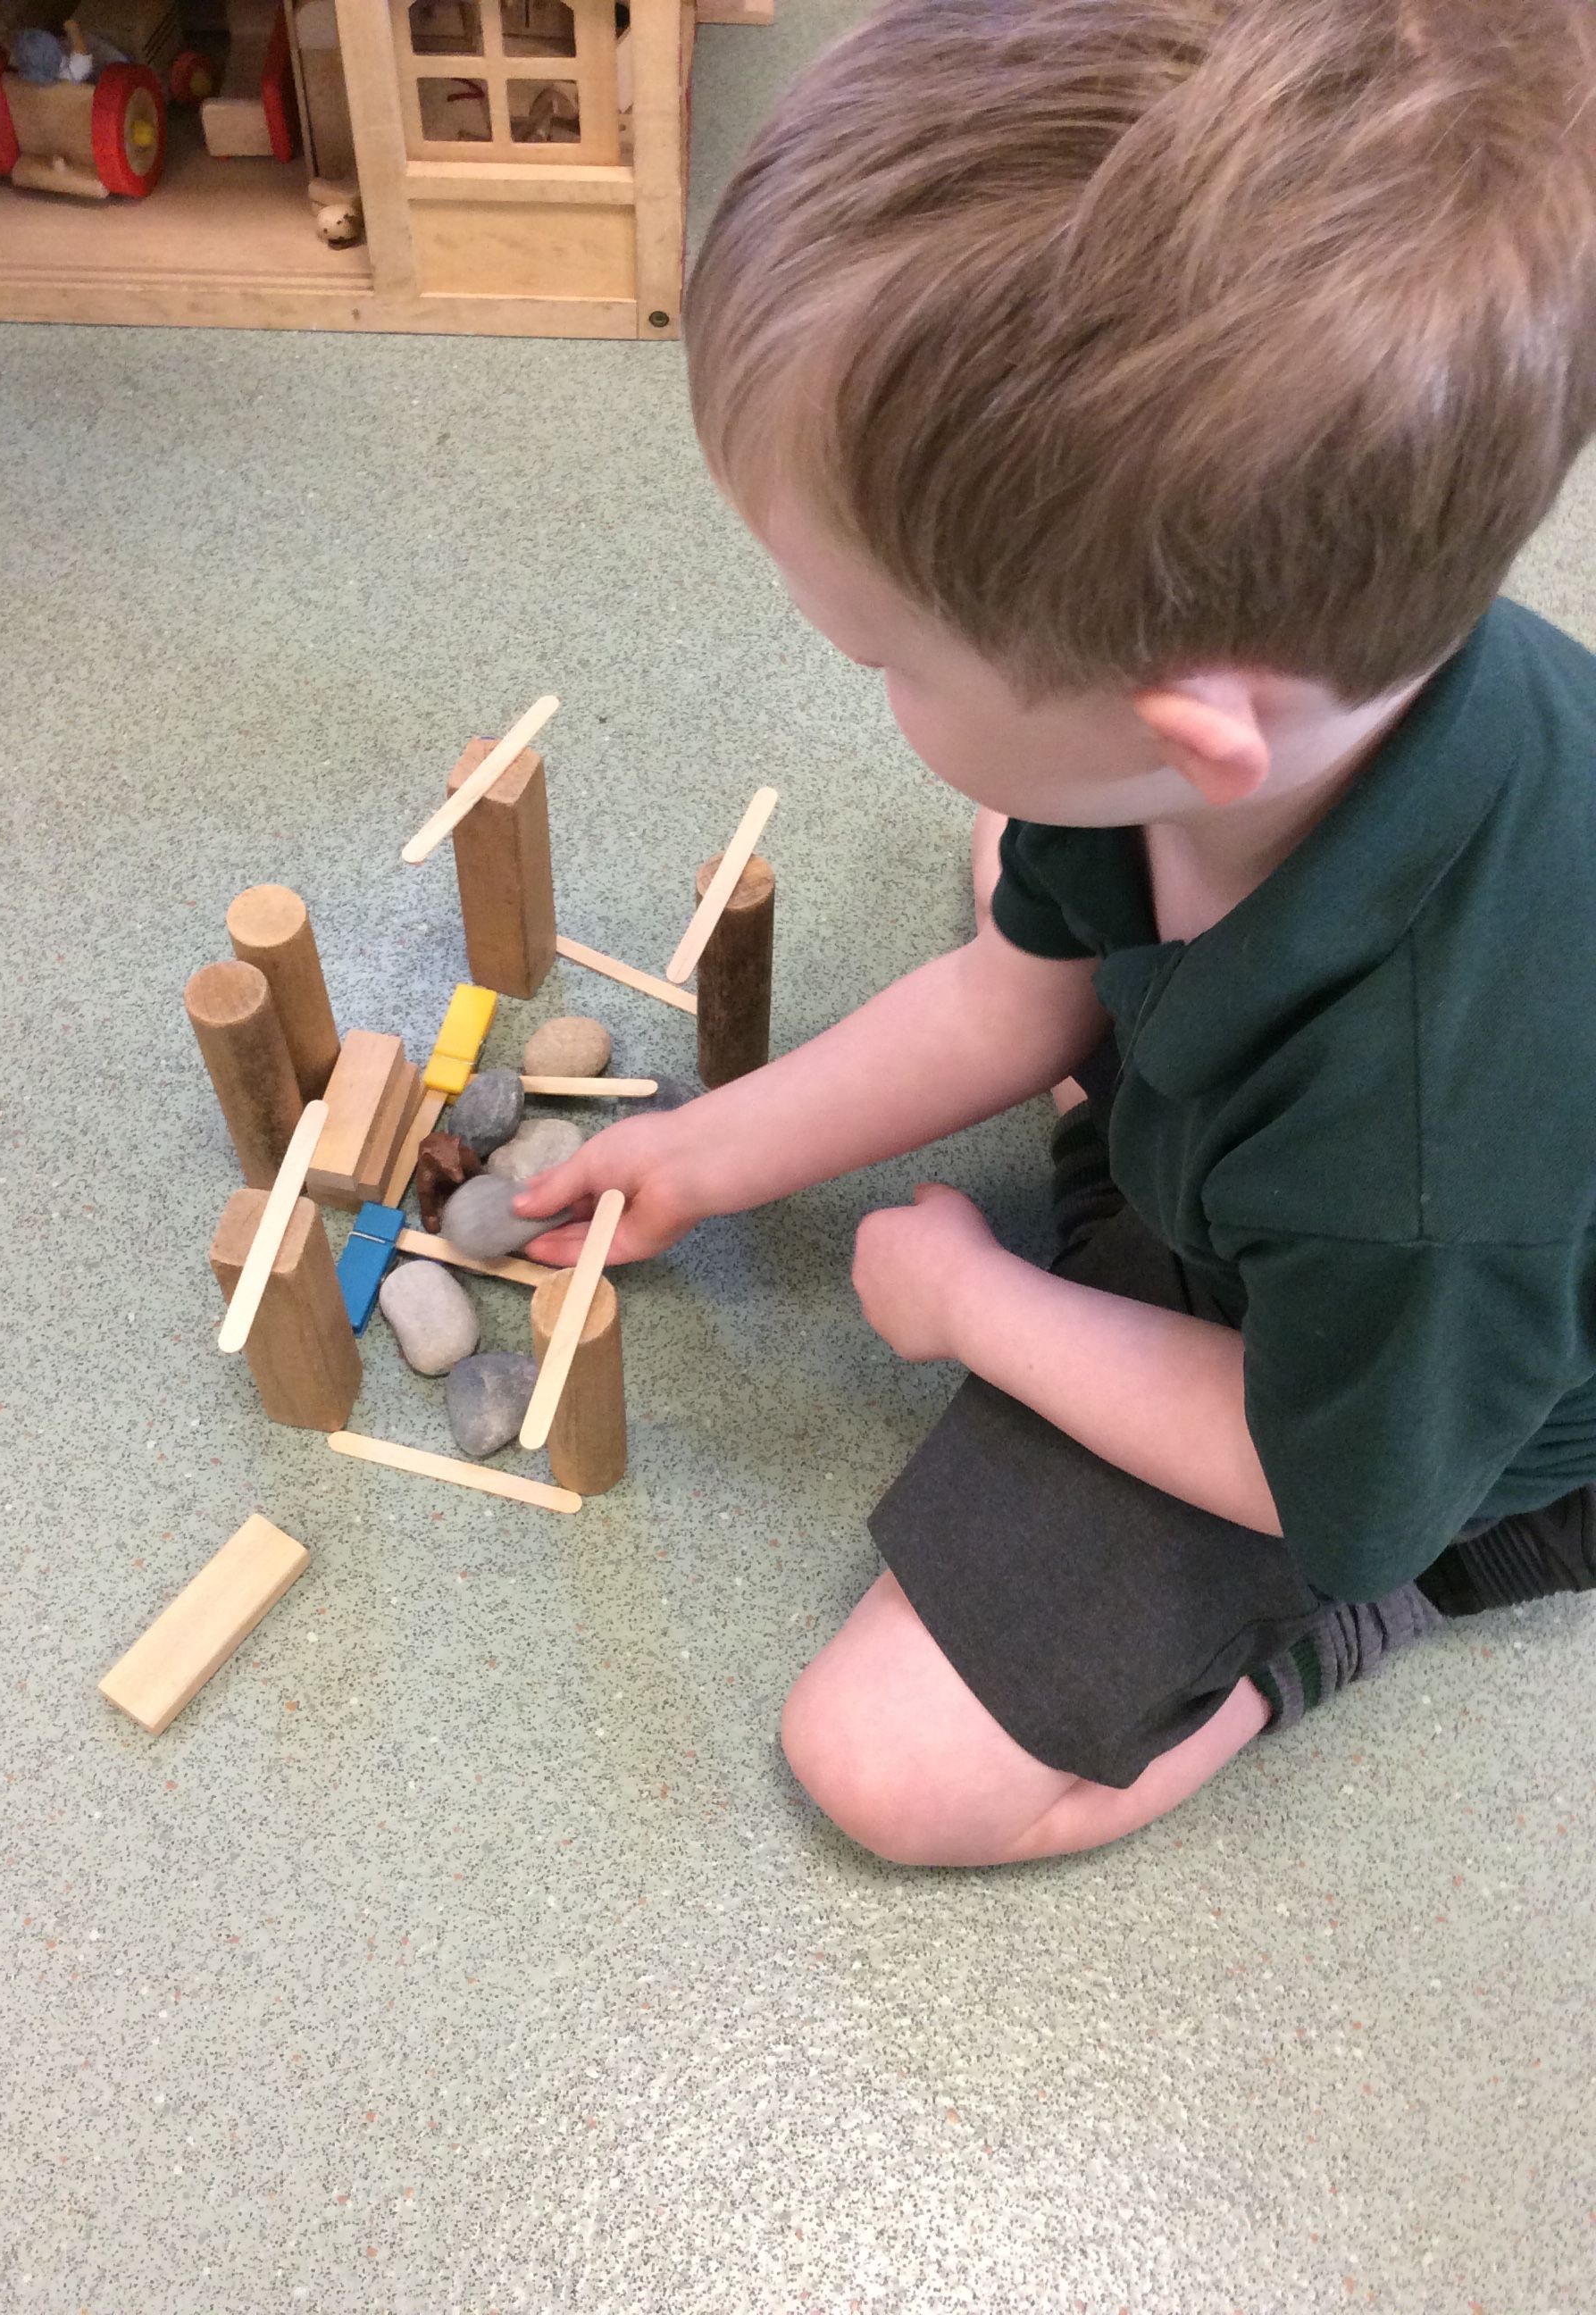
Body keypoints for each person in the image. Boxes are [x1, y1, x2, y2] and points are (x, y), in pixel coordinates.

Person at [519, 0, 1596, 1867]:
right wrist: (700, 1153)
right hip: (1298, 1182)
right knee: (1019, 828)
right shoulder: (1240, 740)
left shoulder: (1414, 1155)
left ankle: (1361, 1622)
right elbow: (1010, 996)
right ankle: (1131, 1168)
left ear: (1186, 724)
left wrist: (980, 1308)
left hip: (1393, 1422)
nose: (858, 683)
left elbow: (1299, 1462)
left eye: (883, 657)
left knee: (885, 1766)